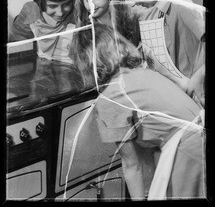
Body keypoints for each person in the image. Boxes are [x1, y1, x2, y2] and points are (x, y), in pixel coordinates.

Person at [70, 23, 205, 200]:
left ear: (85, 62)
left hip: (189, 149)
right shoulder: (141, 74)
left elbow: (132, 165)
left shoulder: (111, 97)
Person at [10, 0, 77, 63]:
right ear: (40, 1)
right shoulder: (31, 11)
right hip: (39, 68)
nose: (60, 12)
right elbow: (18, 44)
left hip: (70, 69)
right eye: (53, 6)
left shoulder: (77, 15)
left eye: (66, 4)